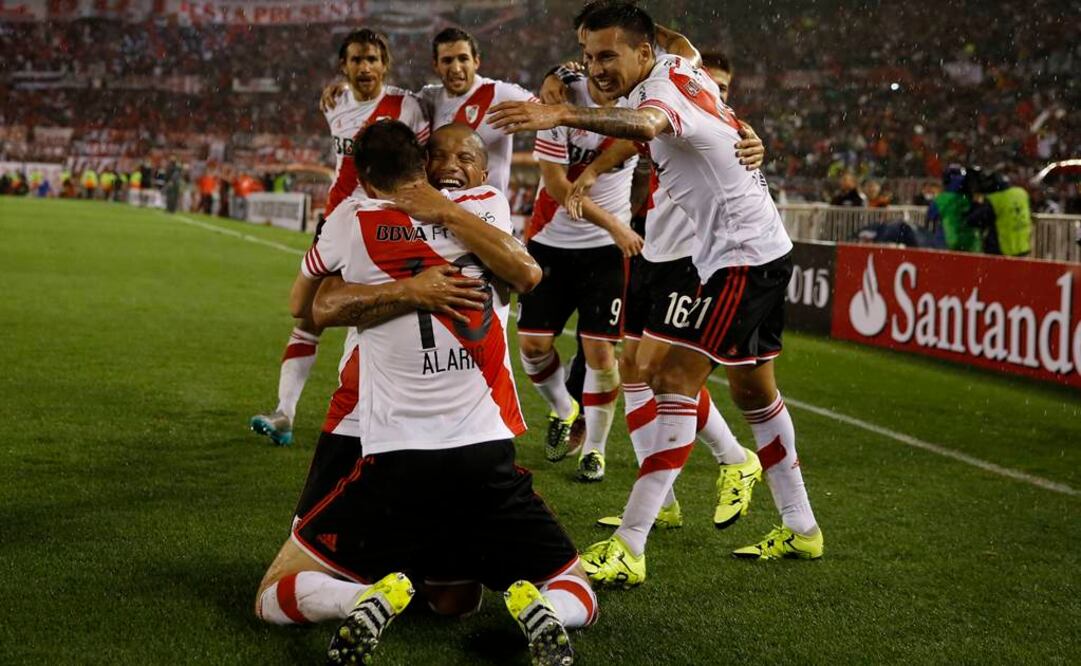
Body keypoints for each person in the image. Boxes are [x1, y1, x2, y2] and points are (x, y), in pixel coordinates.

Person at [490, 2, 824, 584]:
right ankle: (802, 527)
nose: (596, 69)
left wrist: (559, 112)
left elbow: (645, 126)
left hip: (741, 259)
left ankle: (630, 544)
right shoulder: (680, 60)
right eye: (588, 56)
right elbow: (679, 41)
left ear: (644, 52)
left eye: (608, 56)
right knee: (752, 391)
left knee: (670, 379)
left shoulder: (661, 92)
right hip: (753, 248)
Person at [255, 121, 595, 666]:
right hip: (481, 455)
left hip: (395, 453)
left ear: (365, 177)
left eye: (465, 158)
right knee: (552, 589)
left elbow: (309, 306)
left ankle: (360, 599)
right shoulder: (487, 208)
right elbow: (528, 274)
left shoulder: (354, 217)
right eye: (441, 156)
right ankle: (549, 608)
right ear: (423, 164)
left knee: (278, 592)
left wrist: (411, 269)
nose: (452, 167)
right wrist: (416, 284)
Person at [250, 29, 429, 447]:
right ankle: (284, 413)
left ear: (385, 64)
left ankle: (385, 418)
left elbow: (421, 168)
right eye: (356, 60)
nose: (365, 67)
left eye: (372, 59)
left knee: (382, 316)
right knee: (309, 317)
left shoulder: (408, 107)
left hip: (384, 228)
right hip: (336, 222)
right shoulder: (335, 103)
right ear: (343, 67)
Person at [517, 59, 645, 482]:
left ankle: (595, 449)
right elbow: (557, 186)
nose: (604, 70)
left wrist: (596, 177)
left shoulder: (641, 100)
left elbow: (635, 141)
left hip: (605, 252)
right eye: (596, 59)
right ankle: (564, 406)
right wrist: (615, 224)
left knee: (600, 354)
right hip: (551, 240)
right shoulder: (560, 97)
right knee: (533, 346)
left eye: (611, 58)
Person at [927, 164, 979, 252]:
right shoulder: (969, 199)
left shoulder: (941, 200)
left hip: (945, 244)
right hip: (970, 244)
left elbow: (931, 215)